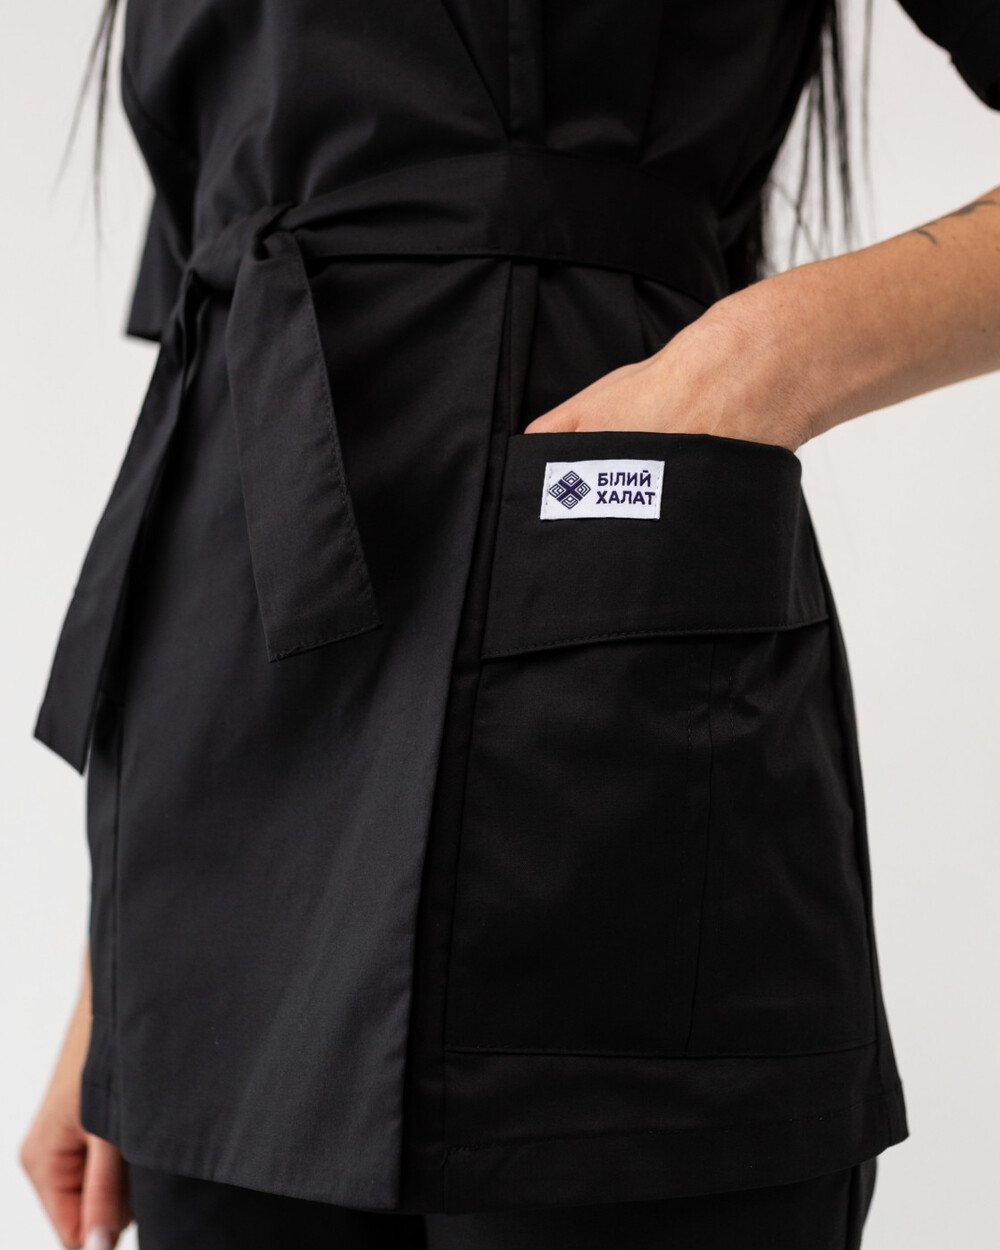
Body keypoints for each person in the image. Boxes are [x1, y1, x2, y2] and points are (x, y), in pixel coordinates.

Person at [18, 0, 1000, 1246]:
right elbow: (212, 330)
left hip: (606, 696)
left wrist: (767, 355)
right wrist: (112, 984)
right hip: (214, 853)